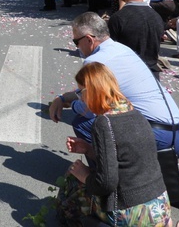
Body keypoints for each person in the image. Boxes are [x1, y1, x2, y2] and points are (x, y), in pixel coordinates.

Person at [50, 12, 179, 224]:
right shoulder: (120, 48)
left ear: (89, 39)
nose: (76, 47)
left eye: (76, 41)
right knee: (146, 172)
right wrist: (62, 98)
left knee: (84, 124)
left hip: (157, 133)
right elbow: (88, 92)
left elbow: (88, 105)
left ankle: (101, 179)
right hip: (178, 131)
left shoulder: (94, 61)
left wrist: (91, 176)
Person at [67, 62, 172, 226]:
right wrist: (88, 149)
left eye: (81, 93)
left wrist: (85, 175)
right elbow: (125, 159)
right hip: (160, 206)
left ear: (91, 91)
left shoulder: (104, 122)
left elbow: (105, 183)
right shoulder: (133, 111)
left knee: (74, 186)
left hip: (131, 211)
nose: (81, 99)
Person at [107, 0, 164, 76]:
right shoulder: (157, 17)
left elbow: (110, 51)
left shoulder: (119, 18)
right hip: (151, 75)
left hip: (126, 74)